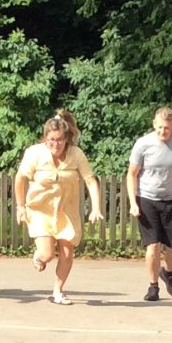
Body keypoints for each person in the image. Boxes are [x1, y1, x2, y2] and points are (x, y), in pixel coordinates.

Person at [14, 110, 103, 305]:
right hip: (40, 210)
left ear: (66, 138)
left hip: (66, 212)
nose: (56, 144)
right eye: (52, 140)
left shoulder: (76, 154)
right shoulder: (35, 153)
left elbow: (90, 180)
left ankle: (58, 291)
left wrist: (96, 207)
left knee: (67, 253)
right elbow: (20, 179)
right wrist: (20, 206)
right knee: (47, 254)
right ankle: (39, 256)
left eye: (60, 140)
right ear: (45, 138)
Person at [126, 106, 172, 302]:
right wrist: (133, 202)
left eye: (167, 128)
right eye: (160, 127)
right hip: (147, 199)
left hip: (171, 200)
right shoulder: (143, 144)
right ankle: (153, 286)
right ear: (154, 124)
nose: (163, 131)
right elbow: (131, 174)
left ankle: (167, 272)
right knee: (152, 246)